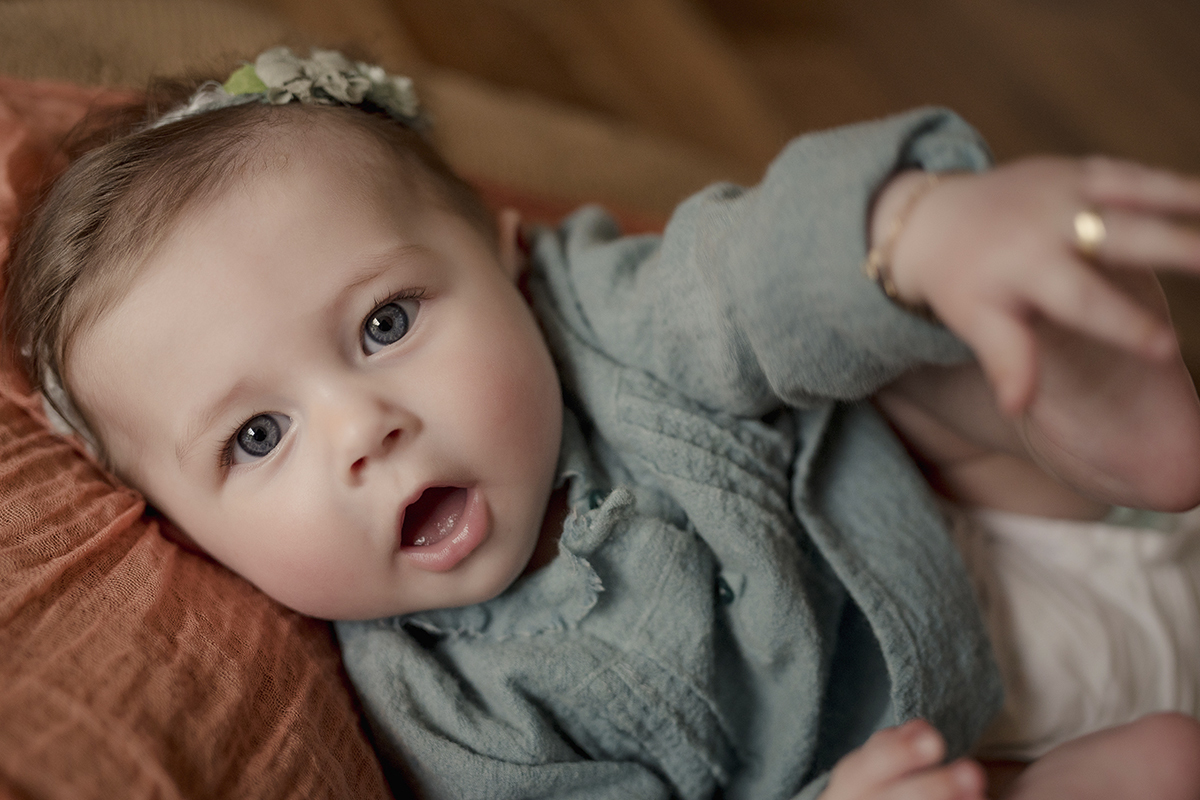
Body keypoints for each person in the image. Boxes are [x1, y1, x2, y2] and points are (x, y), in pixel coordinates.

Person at [6, 47, 1200, 800]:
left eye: (383, 325)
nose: (362, 429)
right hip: (968, 762)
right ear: (185, 529)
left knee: (876, 333)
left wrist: (906, 230)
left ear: (505, 254)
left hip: (989, 528)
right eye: (255, 438)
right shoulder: (446, 717)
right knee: (1160, 769)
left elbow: (737, 278)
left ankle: (1066, 375)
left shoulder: (599, 315)